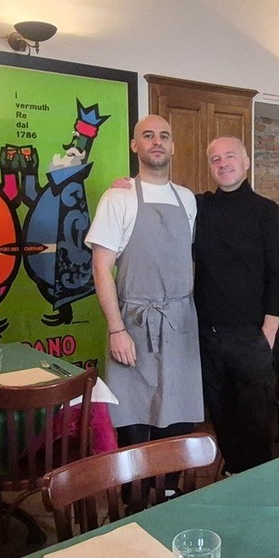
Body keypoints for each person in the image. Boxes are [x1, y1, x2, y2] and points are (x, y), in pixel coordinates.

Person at [85, 114, 203, 449]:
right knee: (133, 423)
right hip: (134, 326)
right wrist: (116, 330)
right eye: (148, 135)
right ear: (135, 145)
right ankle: (137, 485)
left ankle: (171, 480)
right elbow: (101, 268)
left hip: (181, 325)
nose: (157, 142)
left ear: (173, 146)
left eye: (164, 136)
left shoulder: (188, 199)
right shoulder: (117, 198)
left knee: (178, 425)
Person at [194, 136, 279, 473]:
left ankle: (258, 484)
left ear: (246, 162)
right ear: (210, 167)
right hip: (208, 335)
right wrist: (128, 187)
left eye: (230, 156)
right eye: (215, 159)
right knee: (222, 417)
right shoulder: (199, 208)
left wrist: (268, 330)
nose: (223, 163)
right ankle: (233, 474)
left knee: (256, 422)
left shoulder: (268, 213)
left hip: (251, 336)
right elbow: (161, 198)